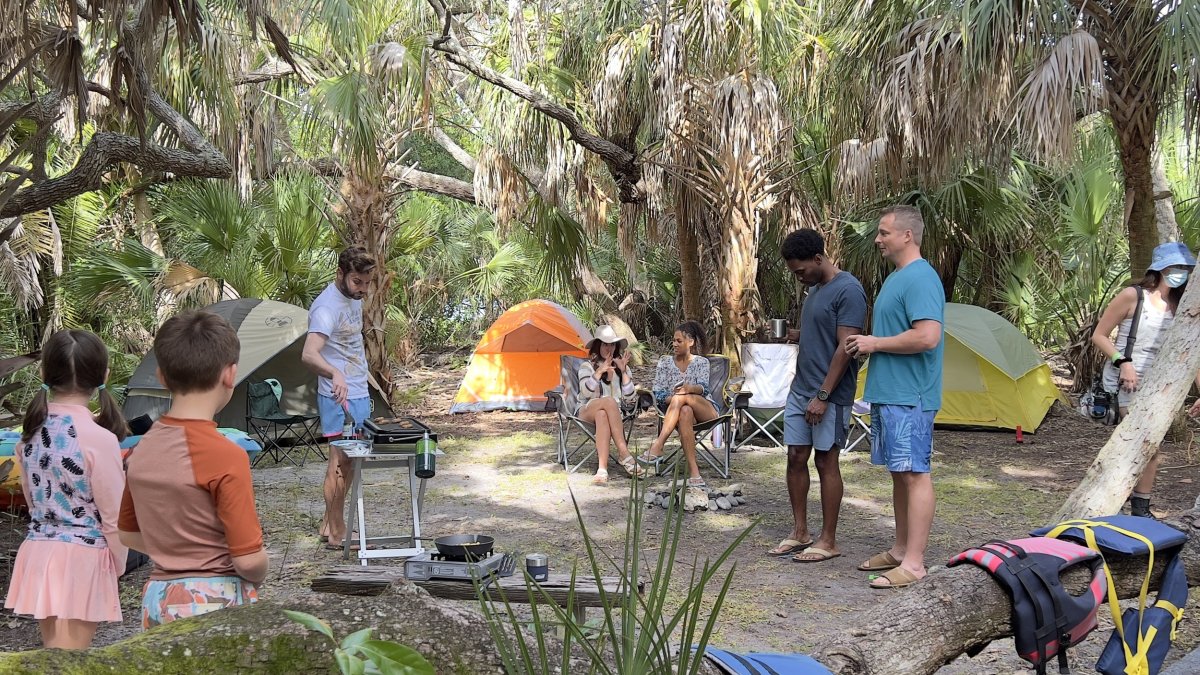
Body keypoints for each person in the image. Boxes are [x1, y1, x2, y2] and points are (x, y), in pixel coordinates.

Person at [118, 311, 267, 628]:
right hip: (213, 601)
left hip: (158, 599)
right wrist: (260, 568)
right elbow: (249, 560)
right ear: (230, 374)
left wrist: (174, 553)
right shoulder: (227, 455)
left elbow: (128, 533)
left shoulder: (139, 450)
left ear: (161, 376)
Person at [3, 331, 129, 649]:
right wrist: (118, 563)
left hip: (38, 551)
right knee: (70, 661)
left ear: (44, 373)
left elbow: (33, 504)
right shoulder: (100, 440)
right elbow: (114, 517)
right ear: (104, 376)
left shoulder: (27, 437)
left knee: (54, 657)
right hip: (85, 556)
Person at [845, 205, 944, 589]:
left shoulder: (921, 278)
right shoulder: (899, 278)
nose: (878, 239)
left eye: (884, 232)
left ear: (907, 235)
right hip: (889, 394)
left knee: (915, 473)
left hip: (910, 395)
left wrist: (875, 343)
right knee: (899, 473)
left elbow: (927, 336)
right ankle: (901, 550)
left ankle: (915, 563)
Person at [767, 229, 867, 563]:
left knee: (825, 460)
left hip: (830, 394)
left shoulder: (848, 290)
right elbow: (822, 334)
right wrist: (795, 335)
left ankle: (828, 539)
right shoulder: (815, 290)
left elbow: (846, 346)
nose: (799, 278)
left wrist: (823, 395)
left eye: (800, 271)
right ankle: (800, 532)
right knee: (795, 455)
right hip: (801, 389)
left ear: (818, 258)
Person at [1091, 241, 1200, 517]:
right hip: (1128, 381)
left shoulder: (1182, 305)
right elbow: (1099, 336)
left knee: (1151, 446)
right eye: (1175, 267)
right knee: (1142, 442)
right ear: (1159, 268)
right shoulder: (1133, 295)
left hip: (1162, 387)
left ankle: (1140, 508)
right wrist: (1124, 363)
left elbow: (1189, 352)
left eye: (1186, 268)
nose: (1180, 273)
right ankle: (1118, 504)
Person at [301, 245, 375, 549]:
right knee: (341, 463)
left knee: (352, 463)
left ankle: (327, 523)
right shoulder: (326, 308)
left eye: (367, 283)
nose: (363, 290)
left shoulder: (352, 298)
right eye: (358, 282)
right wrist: (335, 373)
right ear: (340, 274)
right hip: (338, 396)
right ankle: (337, 531)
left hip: (358, 391)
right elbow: (308, 354)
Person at [639, 320, 718, 489]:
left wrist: (688, 389)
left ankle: (658, 445)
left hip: (705, 410)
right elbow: (658, 393)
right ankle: (694, 473)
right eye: (673, 340)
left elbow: (704, 389)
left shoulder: (701, 362)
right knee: (684, 412)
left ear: (691, 342)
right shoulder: (665, 362)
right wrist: (676, 397)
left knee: (683, 398)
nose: (674, 344)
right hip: (679, 412)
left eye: (679, 341)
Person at [576, 325, 644, 483]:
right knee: (608, 402)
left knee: (603, 414)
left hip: (613, 416)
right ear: (598, 346)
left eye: (612, 344)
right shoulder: (587, 367)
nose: (609, 348)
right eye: (605, 344)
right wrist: (599, 372)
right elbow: (585, 393)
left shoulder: (622, 369)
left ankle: (602, 470)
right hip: (586, 412)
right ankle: (623, 453)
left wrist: (624, 373)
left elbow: (630, 400)